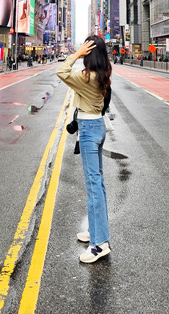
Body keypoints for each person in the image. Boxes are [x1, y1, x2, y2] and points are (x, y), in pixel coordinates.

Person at [56, 36, 112, 264]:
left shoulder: (86, 77)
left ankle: (99, 245)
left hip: (89, 130)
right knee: (98, 183)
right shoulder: (103, 73)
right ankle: (96, 230)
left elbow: (61, 72)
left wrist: (76, 54)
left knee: (93, 185)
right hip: (97, 126)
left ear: (88, 53)